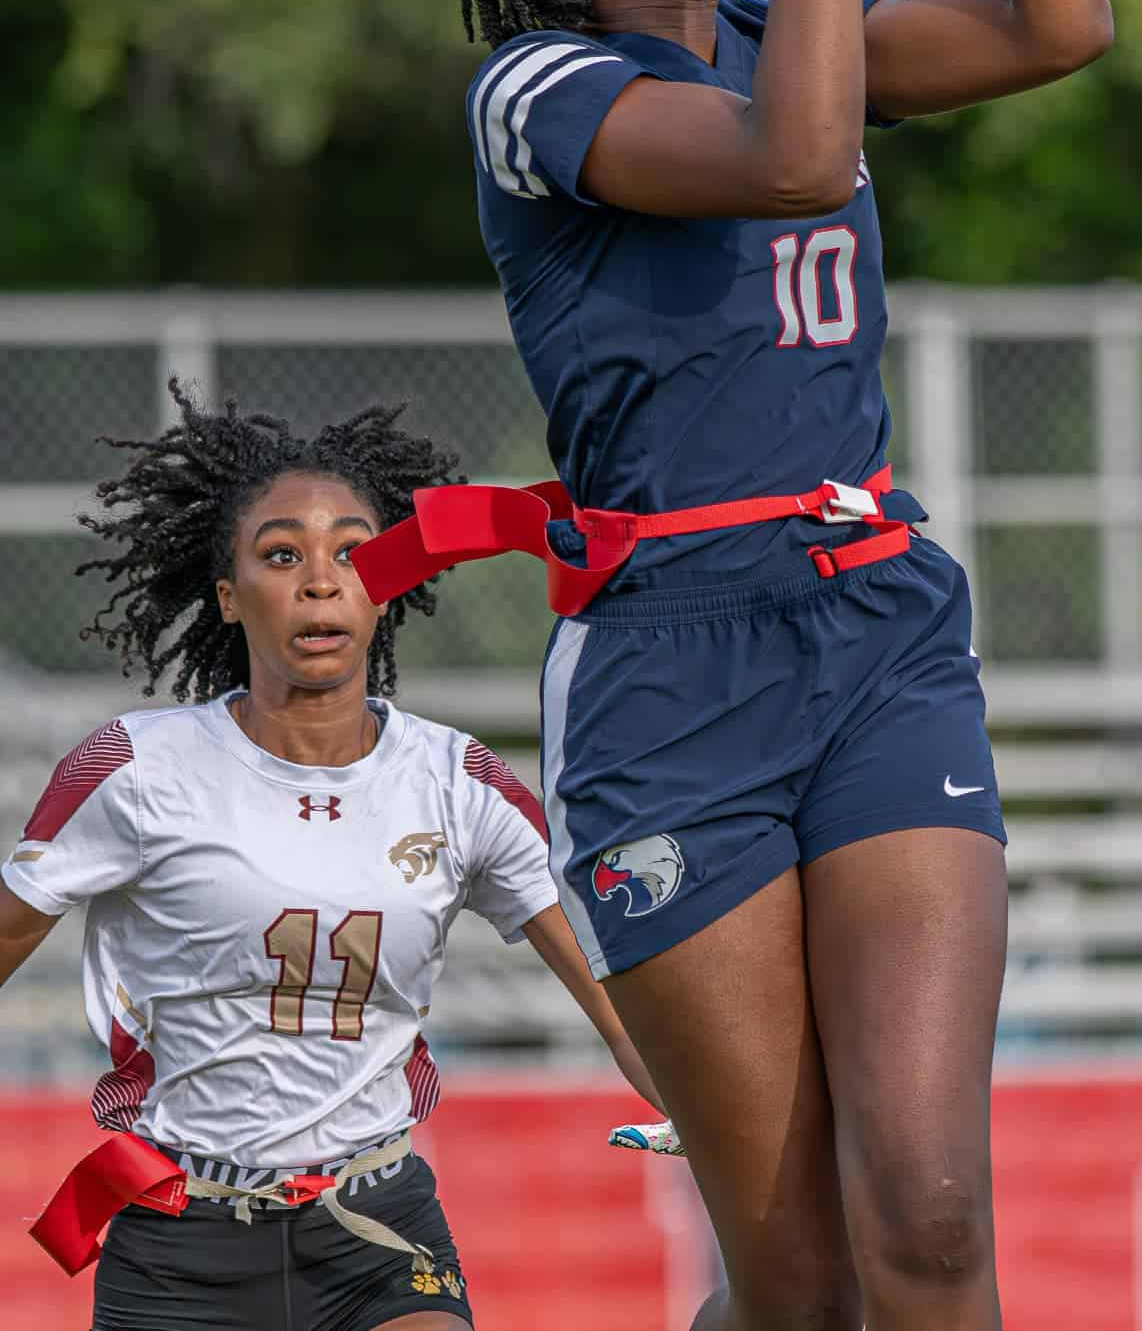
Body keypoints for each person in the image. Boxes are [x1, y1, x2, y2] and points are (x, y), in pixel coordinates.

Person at [365, 0, 1114, 1331]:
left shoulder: (793, 40)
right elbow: (788, 156)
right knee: (797, 1276)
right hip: (671, 670)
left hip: (872, 627)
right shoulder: (540, 89)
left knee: (927, 1206)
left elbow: (1063, 20)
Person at [0, 383, 662, 1331]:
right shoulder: (139, 768)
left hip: (375, 1224)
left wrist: (737, 1122)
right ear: (229, 597)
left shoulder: (461, 782)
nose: (320, 580)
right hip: (179, 1243)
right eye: (281, 556)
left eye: (353, 554)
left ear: (386, 583)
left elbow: (622, 1004)